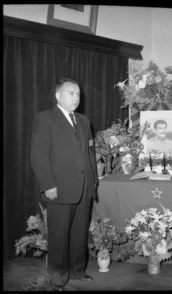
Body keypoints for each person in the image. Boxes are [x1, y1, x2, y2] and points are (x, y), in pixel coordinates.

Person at [30, 77, 98, 291]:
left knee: (79, 234)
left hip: (83, 188)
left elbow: (89, 153)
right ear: (58, 95)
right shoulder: (45, 118)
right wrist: (48, 184)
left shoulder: (84, 121)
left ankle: (77, 271)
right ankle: (58, 278)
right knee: (59, 237)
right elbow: (39, 155)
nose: (76, 98)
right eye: (71, 93)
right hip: (58, 189)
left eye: (78, 94)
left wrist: (93, 181)